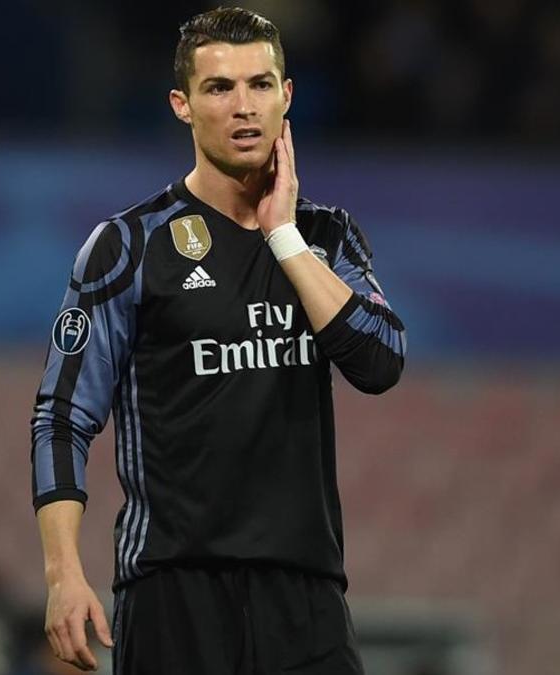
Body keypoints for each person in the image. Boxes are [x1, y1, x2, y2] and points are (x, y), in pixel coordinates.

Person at [30, 8, 405, 674]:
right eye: (219, 88)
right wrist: (63, 572)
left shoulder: (327, 238)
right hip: (175, 591)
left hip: (306, 593)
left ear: (287, 95)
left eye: (261, 85)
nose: (244, 106)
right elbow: (62, 418)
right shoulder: (128, 247)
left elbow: (380, 362)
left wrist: (283, 236)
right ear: (182, 105)